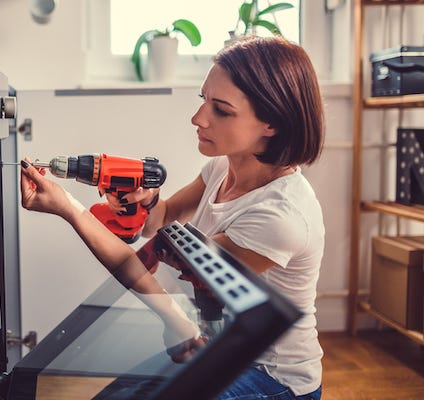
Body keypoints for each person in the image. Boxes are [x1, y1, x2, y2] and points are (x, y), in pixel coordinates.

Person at [20, 34, 324, 400]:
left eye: (221, 110)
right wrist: (147, 200)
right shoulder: (220, 168)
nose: (199, 118)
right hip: (217, 346)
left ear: (271, 122)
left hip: (270, 378)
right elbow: (157, 222)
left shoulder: (279, 217)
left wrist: (68, 208)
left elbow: (148, 274)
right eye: (203, 100)